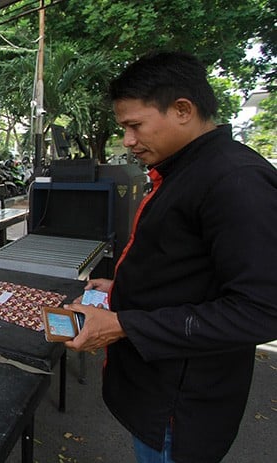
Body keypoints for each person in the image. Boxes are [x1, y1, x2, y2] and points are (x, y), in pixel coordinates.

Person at [64, 51, 277, 463]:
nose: (127, 140)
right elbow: (186, 265)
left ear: (182, 109)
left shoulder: (236, 180)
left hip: (180, 406)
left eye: (134, 125)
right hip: (153, 389)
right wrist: (122, 287)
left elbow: (262, 308)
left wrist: (125, 323)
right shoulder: (186, 170)